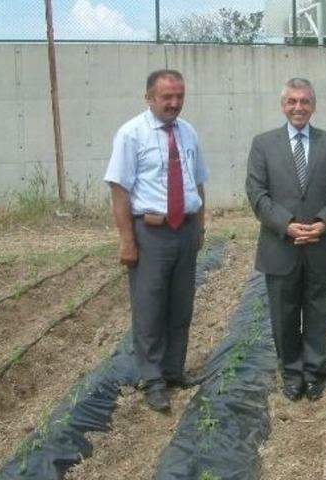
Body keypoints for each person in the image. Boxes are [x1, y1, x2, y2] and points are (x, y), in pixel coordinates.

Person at [104, 69, 209, 412]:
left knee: (181, 305)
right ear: (149, 98)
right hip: (151, 233)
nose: (174, 103)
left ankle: (174, 371)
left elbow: (198, 182)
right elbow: (119, 189)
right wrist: (127, 240)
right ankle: (152, 380)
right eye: (167, 97)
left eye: (180, 96)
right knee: (149, 308)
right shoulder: (131, 134)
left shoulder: (188, 132)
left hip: (185, 229)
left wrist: (200, 227)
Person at [246, 78, 326, 402]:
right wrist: (286, 224)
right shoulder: (263, 144)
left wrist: (323, 223)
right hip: (281, 246)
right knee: (284, 314)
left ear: (313, 105)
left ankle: (315, 371)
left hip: (319, 245)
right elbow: (257, 193)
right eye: (292, 101)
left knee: (318, 312)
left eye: (304, 101)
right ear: (283, 106)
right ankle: (292, 373)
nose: (298, 107)